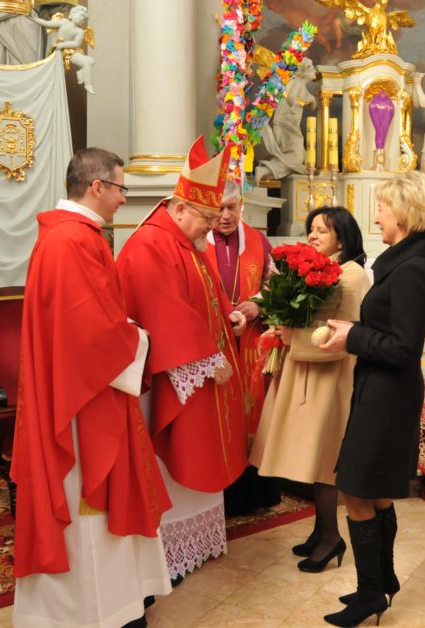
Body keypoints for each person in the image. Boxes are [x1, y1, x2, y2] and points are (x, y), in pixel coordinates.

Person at [11, 147, 173, 628]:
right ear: (97, 186)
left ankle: (115, 603)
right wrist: (140, 338)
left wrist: (124, 332)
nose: (124, 199)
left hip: (78, 386)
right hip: (83, 400)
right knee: (90, 505)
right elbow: (91, 333)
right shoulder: (74, 241)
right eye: (121, 188)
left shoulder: (66, 236)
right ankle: (97, 612)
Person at [117, 136, 249, 583]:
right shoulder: (151, 245)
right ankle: (170, 554)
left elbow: (205, 297)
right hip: (170, 379)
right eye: (206, 219)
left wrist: (227, 316)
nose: (211, 229)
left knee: (202, 454)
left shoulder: (184, 243)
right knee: (177, 461)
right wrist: (209, 360)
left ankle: (197, 543)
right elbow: (166, 314)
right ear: (179, 209)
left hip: (197, 374)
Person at [319, 171, 425, 627]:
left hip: (389, 395)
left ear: (404, 213)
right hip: (380, 389)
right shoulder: (403, 262)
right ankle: (383, 580)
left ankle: (371, 593)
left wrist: (353, 337)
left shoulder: (413, 270)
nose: (377, 218)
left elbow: (404, 348)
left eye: (383, 209)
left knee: (355, 488)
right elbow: (389, 333)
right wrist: (355, 332)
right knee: (377, 492)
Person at [249, 206, 371, 574]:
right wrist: (283, 325)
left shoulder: (351, 276)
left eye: (322, 230)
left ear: (342, 238)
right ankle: (321, 531)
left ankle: (332, 537)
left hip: (331, 379)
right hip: (310, 373)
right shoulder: (322, 270)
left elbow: (350, 334)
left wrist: (295, 337)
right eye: (311, 229)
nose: (313, 235)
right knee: (315, 459)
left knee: (324, 461)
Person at [202, 181, 281, 517]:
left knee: (254, 414)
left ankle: (255, 494)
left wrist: (257, 305)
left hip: (250, 343)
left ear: (241, 205)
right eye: (218, 208)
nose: (225, 215)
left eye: (231, 207)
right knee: (218, 417)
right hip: (213, 342)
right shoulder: (196, 239)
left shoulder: (258, 240)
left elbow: (274, 282)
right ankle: (221, 496)